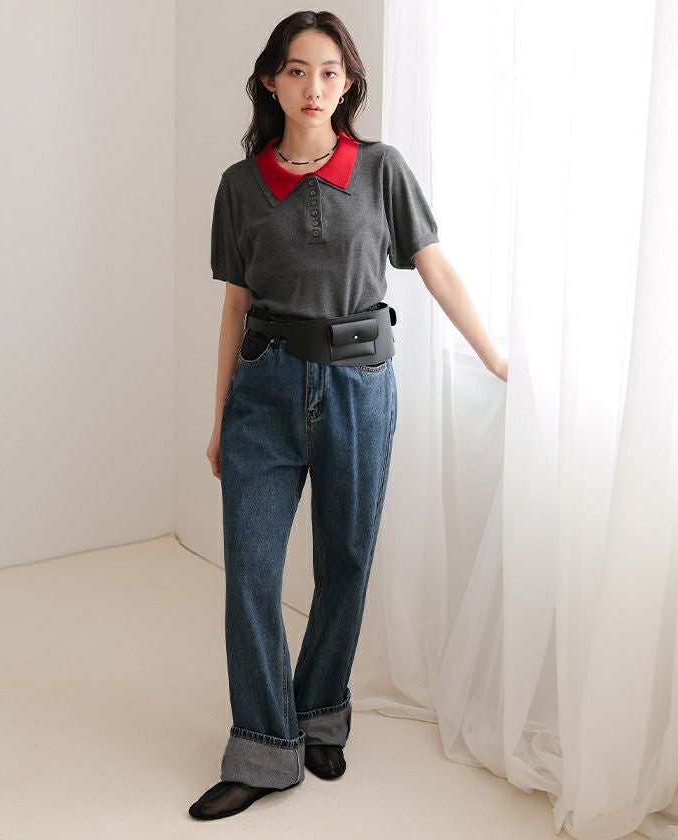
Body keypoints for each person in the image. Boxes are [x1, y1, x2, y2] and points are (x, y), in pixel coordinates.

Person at [189, 9, 506, 822]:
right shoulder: (240, 186)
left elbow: (435, 269)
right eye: (297, 70)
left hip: (359, 388)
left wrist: (498, 360)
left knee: (347, 562)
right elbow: (234, 307)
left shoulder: (380, 169)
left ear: (349, 83)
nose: (314, 86)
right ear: (270, 81)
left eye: (329, 71)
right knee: (251, 573)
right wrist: (220, 417)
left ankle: (321, 713)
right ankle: (265, 749)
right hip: (263, 392)